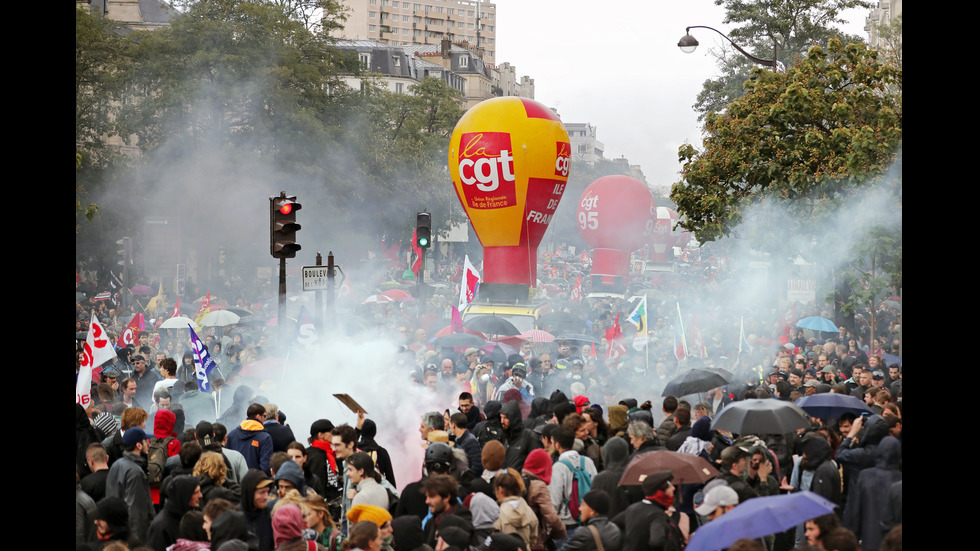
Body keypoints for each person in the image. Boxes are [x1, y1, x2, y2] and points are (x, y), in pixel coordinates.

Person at [611, 471, 682, 551]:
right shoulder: (657, 515)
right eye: (670, 486)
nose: (673, 488)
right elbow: (656, 541)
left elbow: (612, 525)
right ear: (660, 492)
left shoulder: (632, 509)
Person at [106, 427, 155, 543]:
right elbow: (136, 511)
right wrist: (136, 542)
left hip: (116, 531)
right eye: (145, 441)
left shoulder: (116, 464)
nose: (148, 444)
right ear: (138, 445)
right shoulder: (135, 472)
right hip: (131, 536)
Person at [550, 425, 598, 533]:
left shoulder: (558, 467)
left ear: (557, 445)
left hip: (568, 523)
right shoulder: (587, 461)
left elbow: (554, 501)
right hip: (589, 520)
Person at [145, 474, 204, 551]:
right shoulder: (161, 527)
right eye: (196, 492)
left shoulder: (193, 516)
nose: (200, 495)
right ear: (184, 495)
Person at [493, 470, 539, 547]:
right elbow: (533, 538)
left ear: (500, 490)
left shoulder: (499, 513)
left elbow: (495, 539)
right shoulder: (528, 510)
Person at [226, 403, 274, 474]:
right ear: (258, 416)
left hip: (234, 481)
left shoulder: (232, 434)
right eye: (264, 416)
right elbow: (265, 466)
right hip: (255, 482)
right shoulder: (265, 438)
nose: (265, 419)